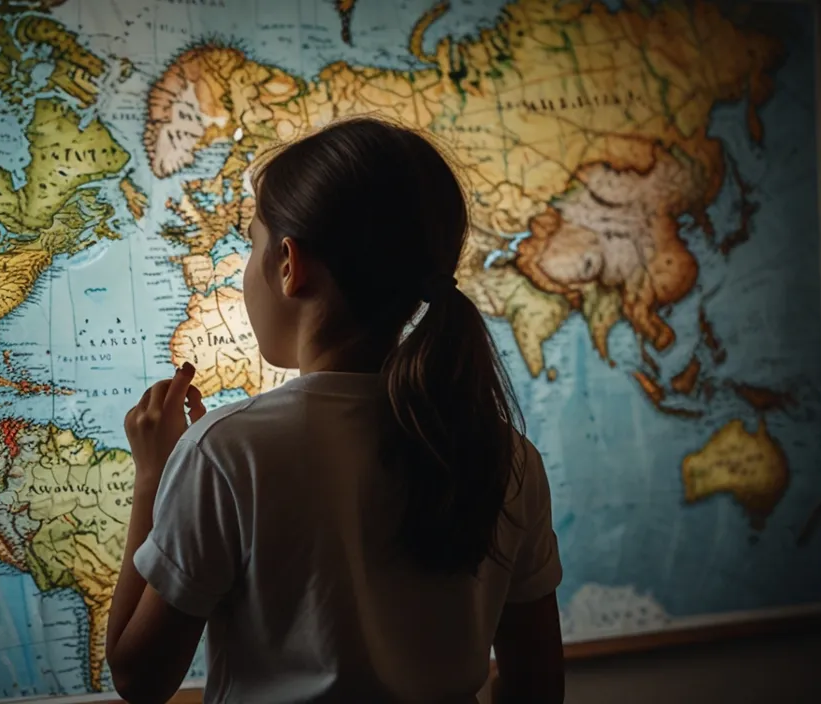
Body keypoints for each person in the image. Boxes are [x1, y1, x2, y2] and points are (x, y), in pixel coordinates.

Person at [105, 116, 564, 704]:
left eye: (252, 243)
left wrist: (153, 477)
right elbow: (539, 687)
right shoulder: (505, 454)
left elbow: (137, 679)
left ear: (290, 264)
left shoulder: (227, 452)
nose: (250, 268)